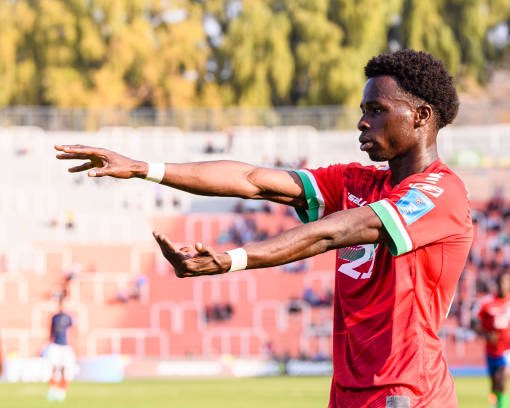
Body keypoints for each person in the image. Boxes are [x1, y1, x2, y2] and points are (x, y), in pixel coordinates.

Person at [55, 49, 473, 407]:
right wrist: (143, 168)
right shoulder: (356, 182)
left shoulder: (442, 192)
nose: (363, 122)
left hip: (405, 392)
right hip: (347, 391)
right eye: (363, 111)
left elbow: (333, 232)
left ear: (421, 116)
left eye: (377, 111)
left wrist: (232, 259)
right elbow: (253, 180)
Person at [473, 272, 510, 408]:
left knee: (502, 380)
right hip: (492, 350)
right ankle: (496, 404)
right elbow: (475, 324)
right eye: (501, 282)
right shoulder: (486, 303)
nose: (503, 285)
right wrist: (487, 334)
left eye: (506, 282)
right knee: (495, 385)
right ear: (497, 284)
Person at [45, 300, 75, 402]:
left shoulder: (69, 317)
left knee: (64, 368)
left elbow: (73, 331)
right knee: (54, 368)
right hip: (56, 345)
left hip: (65, 346)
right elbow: (51, 332)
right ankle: (52, 390)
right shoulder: (55, 318)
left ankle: (62, 392)